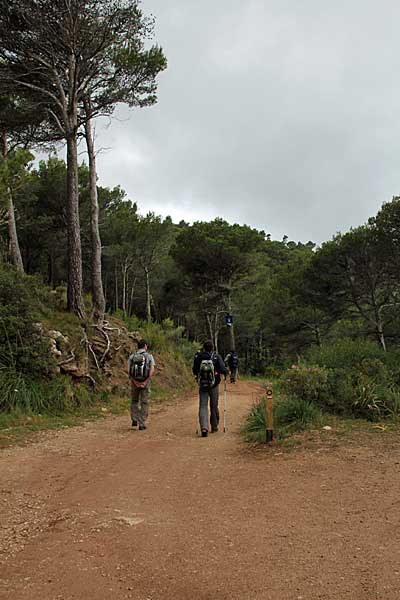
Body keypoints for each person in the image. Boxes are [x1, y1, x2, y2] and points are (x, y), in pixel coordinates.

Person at [192, 340, 227, 437]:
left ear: (203, 348)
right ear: (212, 348)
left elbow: (194, 370)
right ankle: (214, 426)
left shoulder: (198, 357)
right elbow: (223, 369)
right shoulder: (216, 357)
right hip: (214, 385)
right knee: (213, 405)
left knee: (203, 406)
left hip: (202, 385)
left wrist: (197, 377)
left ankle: (204, 427)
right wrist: (225, 373)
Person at [128, 339, 155, 430]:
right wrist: (145, 381)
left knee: (134, 400)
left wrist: (135, 381)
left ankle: (134, 419)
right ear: (145, 346)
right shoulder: (149, 356)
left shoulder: (132, 356)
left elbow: (129, 370)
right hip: (145, 382)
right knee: (144, 402)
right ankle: (142, 423)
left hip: (134, 382)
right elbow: (151, 370)